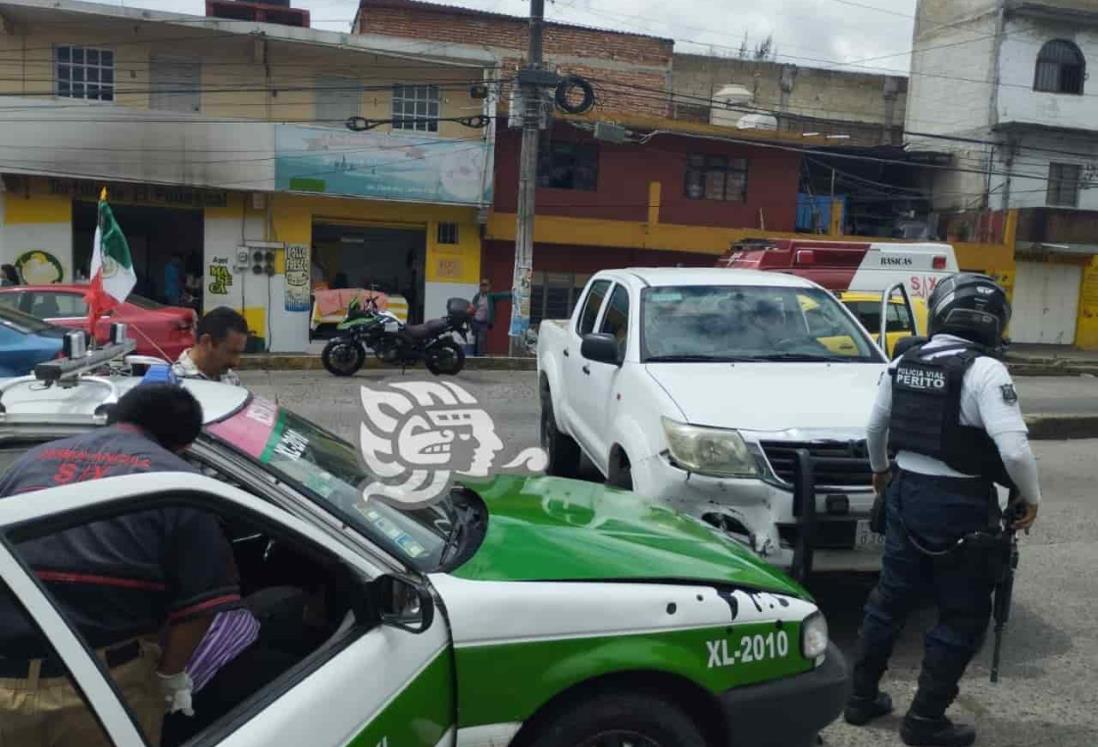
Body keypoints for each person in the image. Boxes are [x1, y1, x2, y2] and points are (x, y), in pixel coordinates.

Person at [844, 273, 1041, 747]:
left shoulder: (905, 359)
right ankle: (925, 721)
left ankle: (860, 700)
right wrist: (1030, 497)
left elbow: (875, 428)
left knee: (888, 602)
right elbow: (1014, 453)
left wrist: (880, 472)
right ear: (996, 323)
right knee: (962, 614)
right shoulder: (986, 370)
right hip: (959, 506)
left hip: (905, 493)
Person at [0, 384, 243, 747]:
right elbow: (200, 606)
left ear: (115, 417)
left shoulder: (31, 461)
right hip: (101, 693)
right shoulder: (176, 483)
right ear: (185, 445)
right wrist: (169, 677)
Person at [174, 307, 248, 386]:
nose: (236, 362)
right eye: (231, 352)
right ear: (206, 341)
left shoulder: (231, 378)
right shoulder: (176, 381)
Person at [470, 279, 511, 356]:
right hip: (475, 321)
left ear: (489, 287)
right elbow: (472, 307)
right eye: (482, 285)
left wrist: (511, 293)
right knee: (475, 340)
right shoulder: (477, 296)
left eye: (486, 285)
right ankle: (475, 356)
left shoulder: (491, 296)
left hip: (484, 323)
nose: (484, 287)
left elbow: (501, 295)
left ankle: (480, 357)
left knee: (481, 339)